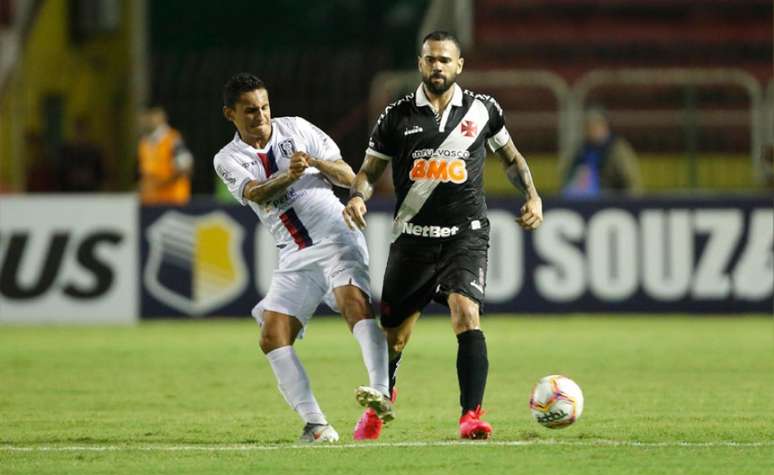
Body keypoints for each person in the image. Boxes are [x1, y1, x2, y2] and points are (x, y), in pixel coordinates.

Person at [343, 31, 543, 440]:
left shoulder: (483, 110)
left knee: (466, 313)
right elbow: (369, 170)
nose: (437, 66)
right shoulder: (396, 116)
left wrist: (533, 195)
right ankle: (382, 402)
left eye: (445, 60)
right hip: (413, 239)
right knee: (395, 337)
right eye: (431, 59)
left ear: (459, 66)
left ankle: (471, 415)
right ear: (420, 64)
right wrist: (357, 198)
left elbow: (511, 158)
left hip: (464, 237)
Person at [213, 73, 394, 443]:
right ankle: (316, 425)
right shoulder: (228, 158)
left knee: (354, 304)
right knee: (272, 336)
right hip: (293, 254)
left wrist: (315, 163)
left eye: (264, 106)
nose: (260, 116)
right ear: (230, 114)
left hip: (336, 235)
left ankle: (381, 391)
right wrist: (289, 174)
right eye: (249, 110)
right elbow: (256, 193)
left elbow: (348, 175)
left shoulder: (296, 128)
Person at [560, 107, 641, 197]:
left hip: (611, 201)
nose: (591, 130)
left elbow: (631, 181)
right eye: (588, 127)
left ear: (604, 126)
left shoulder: (617, 149)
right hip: (583, 199)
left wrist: (631, 200)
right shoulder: (581, 150)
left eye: (595, 126)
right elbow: (568, 176)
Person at [138, 107, 194, 205]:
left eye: (151, 116)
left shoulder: (173, 140)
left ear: (161, 118)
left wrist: (160, 184)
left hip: (172, 201)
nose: (147, 120)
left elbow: (185, 169)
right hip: (151, 202)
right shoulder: (145, 142)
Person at [57, 116, 105, 192]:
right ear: (74, 130)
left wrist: (89, 177)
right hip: (70, 193)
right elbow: (60, 173)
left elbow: (101, 174)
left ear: (88, 130)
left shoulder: (95, 151)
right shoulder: (66, 151)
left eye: (83, 129)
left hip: (91, 193)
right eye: (79, 128)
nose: (81, 132)